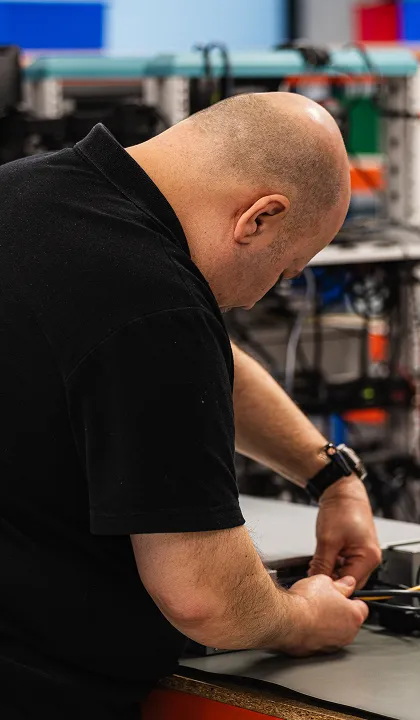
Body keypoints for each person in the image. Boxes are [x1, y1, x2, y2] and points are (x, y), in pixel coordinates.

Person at [0, 92, 381, 719]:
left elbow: (205, 362)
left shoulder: (31, 191)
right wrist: (302, 619)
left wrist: (332, 478)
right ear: (258, 217)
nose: (264, 296)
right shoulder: (150, 299)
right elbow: (203, 596)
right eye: (286, 269)